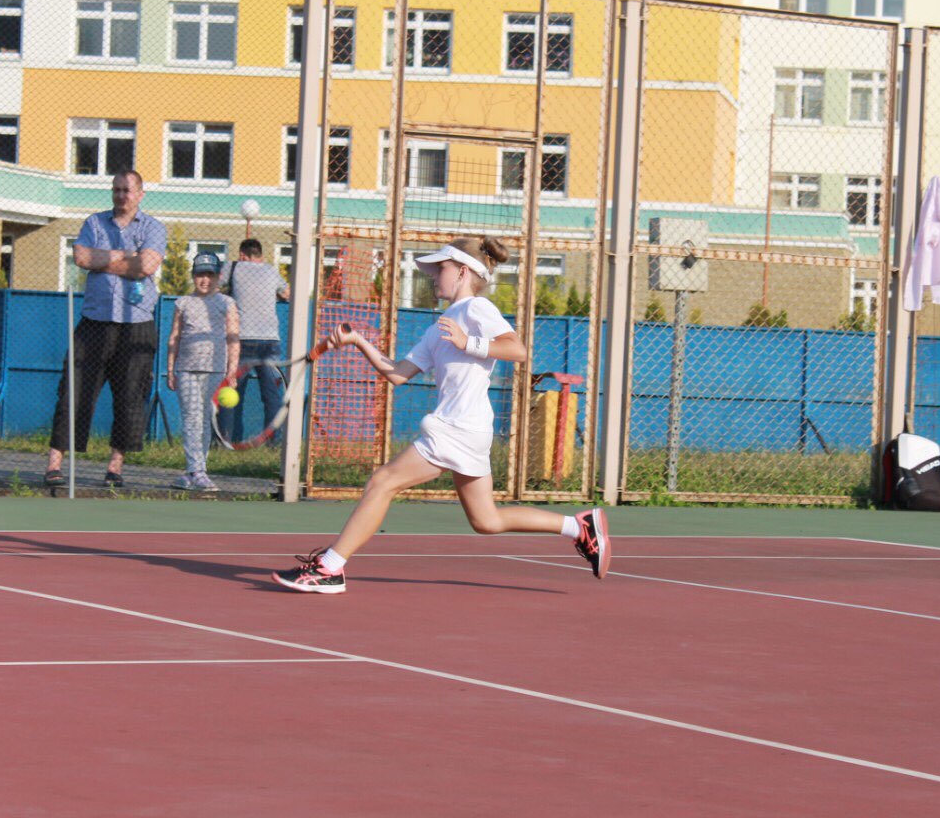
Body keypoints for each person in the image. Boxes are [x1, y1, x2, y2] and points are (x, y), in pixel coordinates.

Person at [272, 235, 610, 594]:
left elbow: (518, 350)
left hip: (457, 427)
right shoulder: (441, 326)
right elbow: (397, 373)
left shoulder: (476, 308)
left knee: (383, 482)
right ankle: (579, 528)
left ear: (463, 271)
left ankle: (330, 567)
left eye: (441, 268)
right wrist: (357, 341)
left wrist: (469, 343)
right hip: (468, 429)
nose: (434, 275)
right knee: (486, 520)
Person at [44, 170, 166, 488]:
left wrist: (104, 260)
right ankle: (55, 464)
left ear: (140, 194)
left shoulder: (153, 227)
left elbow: (147, 266)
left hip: (136, 325)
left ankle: (115, 468)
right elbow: (81, 256)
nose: (121, 195)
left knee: (129, 397)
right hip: (95, 323)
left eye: (127, 190)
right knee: (73, 392)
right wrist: (127, 256)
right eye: (116, 189)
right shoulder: (95, 223)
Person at [166, 253, 239, 492]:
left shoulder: (226, 303)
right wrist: (170, 368)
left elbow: (233, 338)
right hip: (186, 369)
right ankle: (196, 470)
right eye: (200, 275)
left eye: (210, 275)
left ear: (218, 277)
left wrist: (232, 370)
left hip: (215, 370)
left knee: (205, 419)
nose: (205, 280)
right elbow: (174, 337)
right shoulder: (183, 303)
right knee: (192, 418)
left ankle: (196, 471)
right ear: (193, 276)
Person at [219, 239, 289, 443]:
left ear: (242, 255)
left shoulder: (233, 267)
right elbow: (287, 293)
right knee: (271, 394)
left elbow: (215, 285)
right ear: (260, 255)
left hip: (240, 339)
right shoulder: (271, 270)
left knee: (231, 390)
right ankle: (273, 442)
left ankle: (225, 440)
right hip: (269, 340)